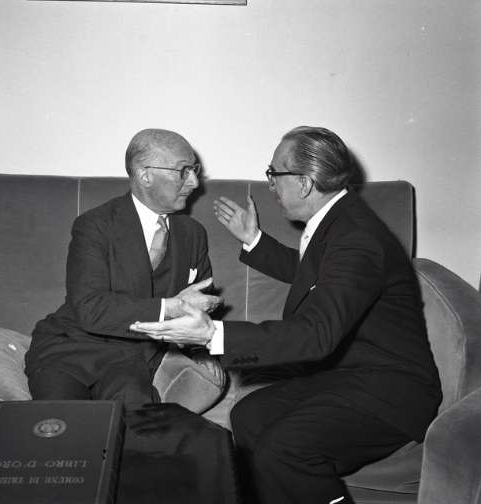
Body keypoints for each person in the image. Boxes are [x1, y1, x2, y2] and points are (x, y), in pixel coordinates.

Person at [131, 126, 442, 504]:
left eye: (274, 174)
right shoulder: (340, 220)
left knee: (284, 450)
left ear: (305, 183)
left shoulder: (356, 238)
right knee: (248, 415)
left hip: (391, 393)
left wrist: (213, 335)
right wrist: (254, 240)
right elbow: (321, 275)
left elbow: (315, 335)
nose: (271, 185)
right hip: (353, 376)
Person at [25, 128, 224, 410]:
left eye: (195, 170)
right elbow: (91, 309)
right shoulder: (95, 226)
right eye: (183, 171)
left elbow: (201, 304)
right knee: (62, 425)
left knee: (136, 424)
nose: (194, 182)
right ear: (145, 175)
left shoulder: (193, 233)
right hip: (71, 347)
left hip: (133, 360)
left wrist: (198, 349)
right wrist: (172, 307)